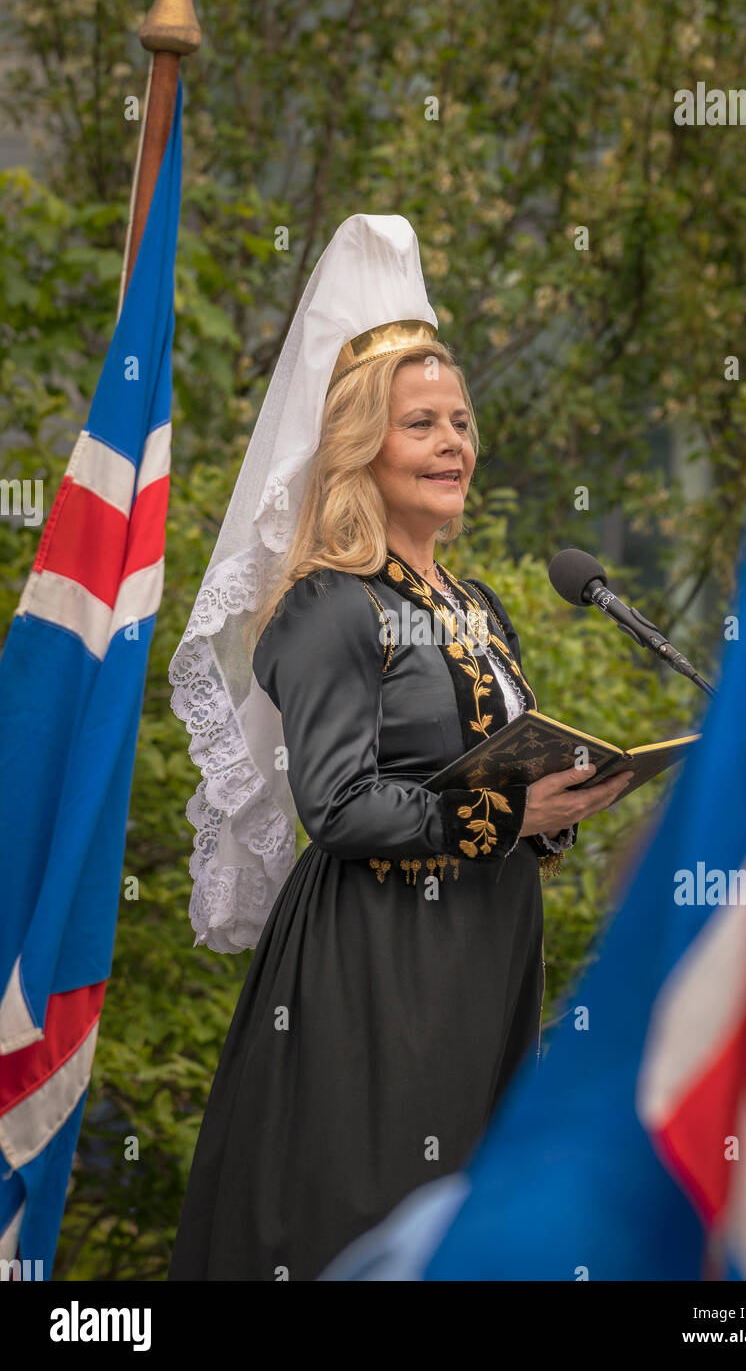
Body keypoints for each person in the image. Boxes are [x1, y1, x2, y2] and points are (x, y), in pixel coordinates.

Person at [166, 214, 631, 1281]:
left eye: (462, 422)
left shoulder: (481, 608)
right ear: (361, 446)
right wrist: (510, 815)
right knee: (366, 1215)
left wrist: (557, 803)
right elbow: (334, 803)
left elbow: (495, 776)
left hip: (482, 950)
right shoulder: (327, 605)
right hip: (377, 967)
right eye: (423, 423)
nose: (455, 443)